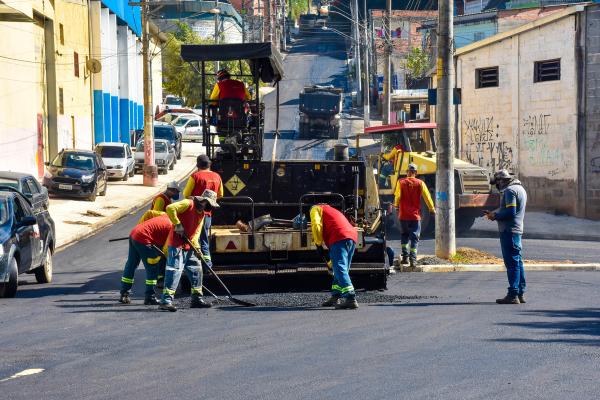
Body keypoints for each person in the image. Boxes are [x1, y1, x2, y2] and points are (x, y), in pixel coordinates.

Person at [159, 190, 220, 312]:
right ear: (204, 201)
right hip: (176, 245)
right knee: (174, 271)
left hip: (189, 246)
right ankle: (166, 301)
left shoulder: (202, 214)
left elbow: (196, 234)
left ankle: (197, 299)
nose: (210, 208)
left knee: (197, 270)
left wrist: (197, 249)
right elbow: (170, 208)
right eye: (210, 205)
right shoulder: (188, 203)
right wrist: (177, 224)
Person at [484, 169, 528, 304]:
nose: (497, 186)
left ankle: (513, 294)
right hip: (516, 230)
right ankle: (520, 293)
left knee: (512, 263)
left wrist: (494, 216)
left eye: (497, 183)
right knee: (518, 262)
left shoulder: (509, 191)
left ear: (501, 181)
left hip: (509, 231)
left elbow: (511, 212)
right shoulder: (520, 189)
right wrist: (495, 213)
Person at [310, 204, 359, 310]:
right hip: (351, 236)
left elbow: (316, 225)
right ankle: (336, 295)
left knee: (339, 268)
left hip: (339, 237)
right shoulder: (332, 210)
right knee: (341, 269)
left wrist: (318, 244)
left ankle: (350, 298)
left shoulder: (315, 209)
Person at [119, 214, 171, 306]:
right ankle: (150, 297)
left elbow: (150, 213)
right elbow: (167, 249)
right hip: (144, 237)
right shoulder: (173, 226)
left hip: (135, 232)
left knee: (131, 264)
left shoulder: (166, 215)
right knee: (153, 267)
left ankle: (124, 294)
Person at [182, 154, 223, 269]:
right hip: (208, 213)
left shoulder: (195, 176)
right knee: (204, 239)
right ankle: (207, 264)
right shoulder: (217, 176)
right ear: (209, 165)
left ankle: (197, 264)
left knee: (193, 238)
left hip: (195, 213)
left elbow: (186, 194)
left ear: (198, 165)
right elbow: (220, 194)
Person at [394, 163, 435, 268]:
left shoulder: (401, 182)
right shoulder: (420, 183)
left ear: (407, 172)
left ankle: (405, 258)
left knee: (404, 235)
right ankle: (413, 260)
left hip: (403, 216)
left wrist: (396, 206)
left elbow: (398, 196)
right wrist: (432, 209)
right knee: (414, 238)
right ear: (416, 173)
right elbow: (427, 197)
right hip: (415, 216)